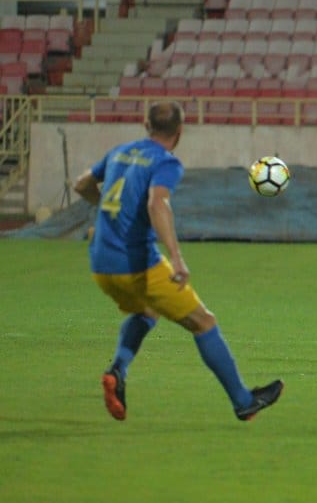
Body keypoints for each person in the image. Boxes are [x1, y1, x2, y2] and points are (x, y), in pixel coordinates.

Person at [71, 101, 284, 422]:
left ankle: (118, 370)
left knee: (147, 311)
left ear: (146, 125)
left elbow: (81, 184)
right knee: (204, 322)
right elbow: (158, 203)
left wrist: (107, 213)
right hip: (137, 262)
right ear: (180, 131)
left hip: (100, 263)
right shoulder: (165, 162)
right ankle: (243, 402)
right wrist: (177, 258)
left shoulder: (120, 152)